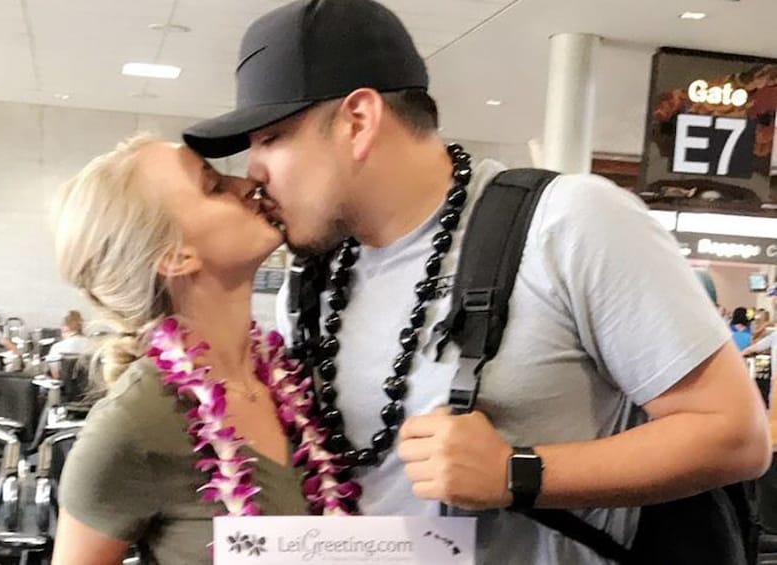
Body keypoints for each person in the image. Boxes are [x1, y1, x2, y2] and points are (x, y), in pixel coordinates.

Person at [182, 1, 771, 563]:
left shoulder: (568, 223)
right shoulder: (311, 282)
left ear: (357, 122)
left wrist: (517, 472)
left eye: (270, 139)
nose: (253, 172)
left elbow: (735, 436)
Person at [50, 134, 313, 565]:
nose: (246, 184)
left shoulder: (298, 383)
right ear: (175, 257)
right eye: (212, 186)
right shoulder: (134, 422)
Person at [47, 310, 92, 378]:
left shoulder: (57, 348)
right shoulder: (94, 345)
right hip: (92, 386)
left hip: (67, 387)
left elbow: (56, 375)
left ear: (65, 328)